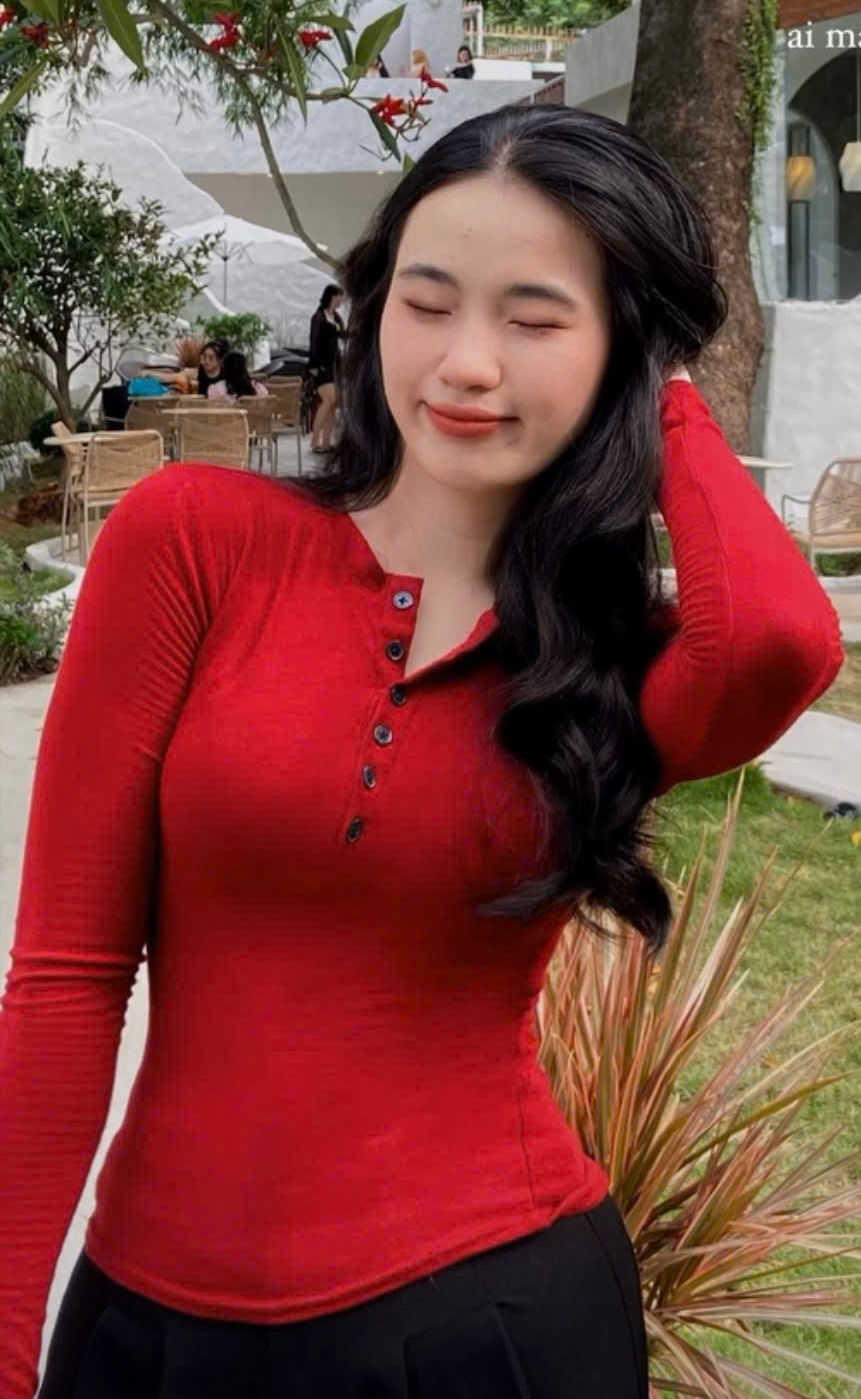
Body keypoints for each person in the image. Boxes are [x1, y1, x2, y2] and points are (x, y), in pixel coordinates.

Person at [1, 106, 844, 1399]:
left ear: (621, 349)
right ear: (372, 306)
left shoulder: (609, 662)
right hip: (149, 1331)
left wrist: (666, 394)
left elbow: (781, 639)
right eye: (427, 301)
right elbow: (66, 980)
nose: (464, 361)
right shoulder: (195, 540)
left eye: (535, 319)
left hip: (487, 1324)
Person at [307, 283, 345, 453]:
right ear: (332, 296)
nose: (341, 301)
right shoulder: (318, 317)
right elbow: (314, 342)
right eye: (339, 297)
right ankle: (315, 440)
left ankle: (326, 443)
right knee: (329, 400)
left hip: (334, 365)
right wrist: (314, 366)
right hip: (320, 366)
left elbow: (342, 335)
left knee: (332, 403)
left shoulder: (336, 317)